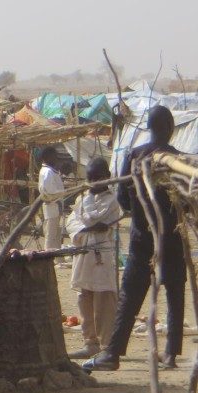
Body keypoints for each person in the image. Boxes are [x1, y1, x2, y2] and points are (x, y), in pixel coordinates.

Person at [87, 106, 185, 371]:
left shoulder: (133, 156)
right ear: (170, 127)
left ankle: (113, 354)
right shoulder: (180, 160)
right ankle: (171, 354)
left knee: (130, 296)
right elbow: (187, 204)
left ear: (149, 128)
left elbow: (122, 199)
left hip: (142, 238)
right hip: (173, 239)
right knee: (175, 294)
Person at [66, 158, 121, 359]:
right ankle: (90, 342)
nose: (94, 182)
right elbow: (72, 222)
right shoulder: (82, 199)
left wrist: (88, 225)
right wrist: (85, 229)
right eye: (90, 179)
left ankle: (107, 345)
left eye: (97, 178)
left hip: (102, 256)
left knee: (104, 300)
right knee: (84, 297)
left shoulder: (112, 200)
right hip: (84, 253)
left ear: (106, 177)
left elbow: (98, 220)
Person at [38, 146, 65, 250]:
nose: (56, 158)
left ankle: (58, 258)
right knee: (50, 234)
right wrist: (63, 193)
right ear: (48, 157)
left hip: (55, 206)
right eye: (54, 156)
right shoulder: (47, 172)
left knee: (56, 234)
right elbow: (50, 191)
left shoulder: (50, 171)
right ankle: (47, 255)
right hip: (52, 206)